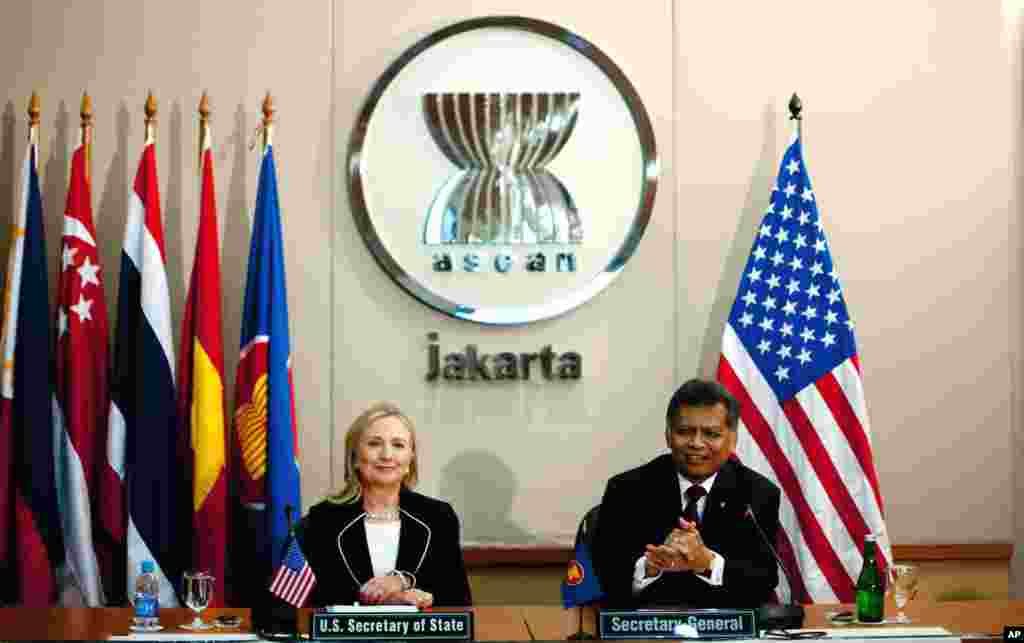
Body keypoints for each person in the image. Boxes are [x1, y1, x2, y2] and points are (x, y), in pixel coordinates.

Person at [593, 379, 781, 608]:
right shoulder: (626, 490)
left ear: (732, 440)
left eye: (711, 434)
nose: (696, 443)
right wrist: (649, 567)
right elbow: (601, 574)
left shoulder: (757, 493)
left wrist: (707, 563)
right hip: (648, 631)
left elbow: (764, 580)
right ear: (668, 435)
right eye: (684, 432)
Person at [300, 402, 472, 607]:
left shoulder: (438, 517)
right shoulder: (323, 519)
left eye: (398, 445)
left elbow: (457, 598)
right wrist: (389, 602)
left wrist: (404, 580)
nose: (387, 455)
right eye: (374, 443)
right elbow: (310, 600)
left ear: (410, 461)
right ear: (354, 457)